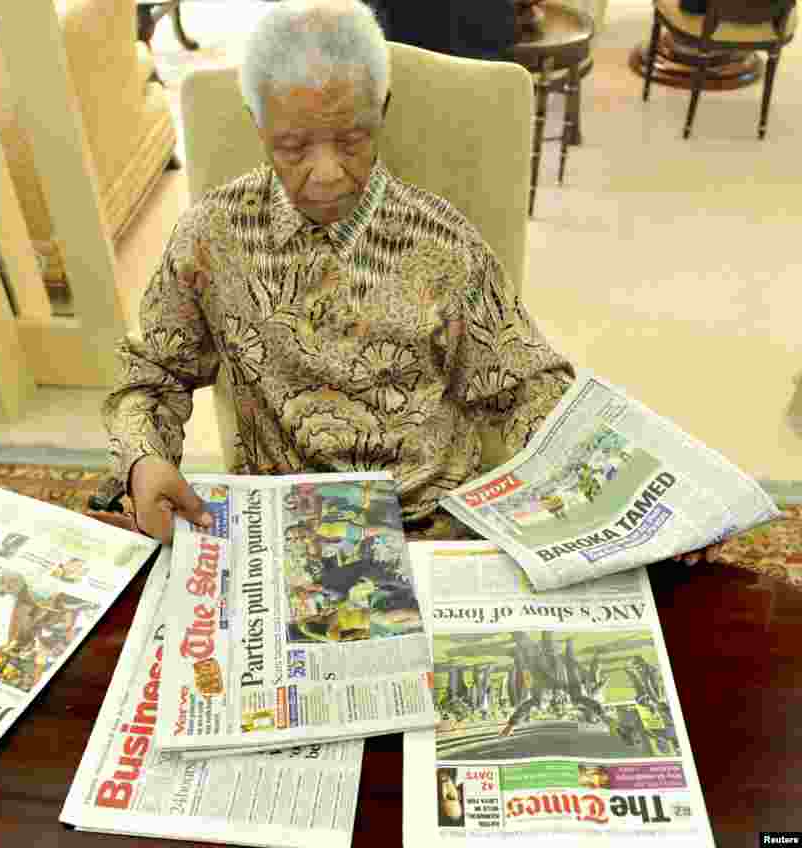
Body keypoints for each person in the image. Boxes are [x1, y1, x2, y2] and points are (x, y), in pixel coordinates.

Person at [90, 0, 575, 545]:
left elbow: (532, 388)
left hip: (429, 527)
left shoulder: (446, 243)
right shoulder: (210, 237)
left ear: (382, 110)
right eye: (293, 147)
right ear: (258, 123)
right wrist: (144, 460)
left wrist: (616, 482)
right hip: (280, 534)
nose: (326, 174)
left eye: (351, 140)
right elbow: (152, 374)